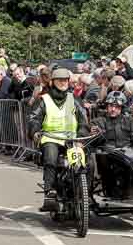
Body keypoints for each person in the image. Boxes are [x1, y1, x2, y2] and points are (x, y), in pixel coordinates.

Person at [27, 68, 90, 212]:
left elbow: (83, 120)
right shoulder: (44, 99)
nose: (63, 83)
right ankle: (50, 192)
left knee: (88, 161)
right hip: (51, 137)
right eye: (59, 80)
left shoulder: (74, 99)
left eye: (65, 80)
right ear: (53, 82)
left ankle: (86, 193)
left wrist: (81, 135)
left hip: (72, 139)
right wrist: (35, 131)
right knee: (50, 157)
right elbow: (34, 118)